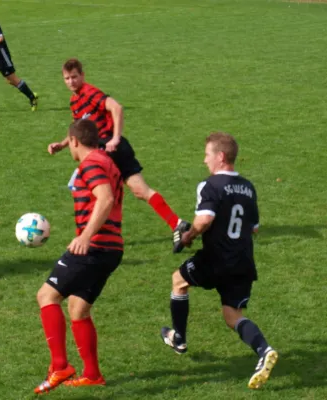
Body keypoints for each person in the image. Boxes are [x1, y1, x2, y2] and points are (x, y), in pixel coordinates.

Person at [160, 132, 278, 389]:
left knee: (178, 280)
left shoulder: (210, 185)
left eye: (207, 155)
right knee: (233, 315)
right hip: (243, 261)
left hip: (216, 259)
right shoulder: (248, 187)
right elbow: (254, 228)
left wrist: (188, 236)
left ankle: (179, 339)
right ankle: (264, 350)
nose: (205, 160)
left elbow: (204, 220)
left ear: (221, 157)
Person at [48, 58, 189, 253]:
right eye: (67, 78)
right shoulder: (74, 101)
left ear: (82, 76)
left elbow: (116, 107)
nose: (71, 81)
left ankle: (88, 237)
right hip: (113, 150)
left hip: (109, 149)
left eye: (74, 77)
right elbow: (79, 131)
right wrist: (62, 144)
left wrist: (115, 138)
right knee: (140, 190)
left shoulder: (89, 92)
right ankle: (177, 224)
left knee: (82, 187)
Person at [34, 119, 124, 394]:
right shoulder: (106, 160)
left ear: (74, 140)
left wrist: (85, 236)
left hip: (94, 246)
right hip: (112, 248)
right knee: (78, 309)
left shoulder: (91, 163)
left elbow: (105, 198)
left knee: (46, 296)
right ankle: (93, 375)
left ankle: (60, 366)